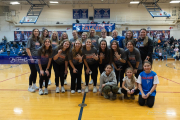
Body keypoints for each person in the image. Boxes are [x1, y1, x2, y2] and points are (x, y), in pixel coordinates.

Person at [26, 28, 41, 92]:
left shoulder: (39, 39)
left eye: (37, 31)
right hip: (31, 58)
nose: (36, 32)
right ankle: (29, 86)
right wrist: (31, 58)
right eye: (35, 31)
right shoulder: (30, 39)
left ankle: (34, 84)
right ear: (33, 32)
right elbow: (27, 49)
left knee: (35, 71)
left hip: (37, 58)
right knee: (33, 71)